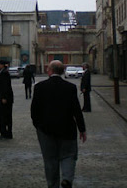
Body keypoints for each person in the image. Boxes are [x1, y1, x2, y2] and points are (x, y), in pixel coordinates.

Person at [31, 60, 87, 188]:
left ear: (49, 71)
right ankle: (67, 178)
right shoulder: (70, 87)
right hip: (67, 128)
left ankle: (53, 184)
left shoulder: (40, 87)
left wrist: (39, 126)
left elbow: (34, 110)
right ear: (62, 72)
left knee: (50, 160)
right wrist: (82, 129)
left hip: (46, 130)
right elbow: (76, 110)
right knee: (69, 156)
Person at [0, 59, 13, 140]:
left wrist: (4, 97)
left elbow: (6, 87)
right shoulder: (0, 73)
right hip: (3, 97)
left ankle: (5, 133)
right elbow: (0, 85)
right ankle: (6, 132)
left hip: (5, 98)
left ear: (2, 65)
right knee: (4, 115)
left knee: (4, 115)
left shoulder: (4, 73)